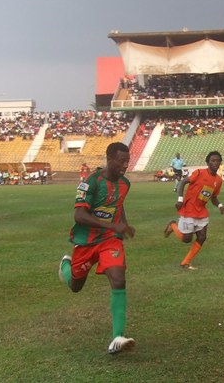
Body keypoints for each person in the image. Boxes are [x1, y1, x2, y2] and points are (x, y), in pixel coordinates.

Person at [58, 142, 136, 355]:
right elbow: (79, 215)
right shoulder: (90, 182)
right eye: (121, 161)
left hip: (110, 240)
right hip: (86, 241)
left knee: (118, 278)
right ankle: (66, 266)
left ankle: (117, 338)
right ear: (109, 159)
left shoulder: (125, 184)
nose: (125, 165)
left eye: (127, 161)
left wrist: (123, 225)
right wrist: (112, 225)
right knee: (76, 286)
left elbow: (118, 204)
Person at [163, 151, 224, 270]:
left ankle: (185, 262)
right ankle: (173, 225)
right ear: (207, 162)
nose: (215, 163)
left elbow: (213, 197)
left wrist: (220, 206)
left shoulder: (218, 180)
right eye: (213, 160)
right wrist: (180, 200)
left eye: (218, 161)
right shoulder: (199, 173)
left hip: (201, 211)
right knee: (187, 239)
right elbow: (183, 182)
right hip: (189, 209)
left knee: (202, 237)